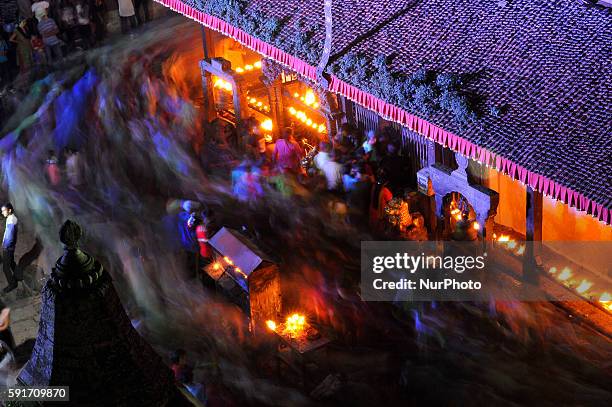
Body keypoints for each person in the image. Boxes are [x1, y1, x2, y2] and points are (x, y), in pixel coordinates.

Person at [1, 203, 20, 293]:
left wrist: (6, 246)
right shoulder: (10, 218)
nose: (2, 212)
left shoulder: (12, 219)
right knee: (11, 262)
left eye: (4, 210)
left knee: (5, 267)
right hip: (9, 246)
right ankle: (19, 276)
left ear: (9, 210)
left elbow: (10, 235)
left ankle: (12, 284)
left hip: (8, 247)